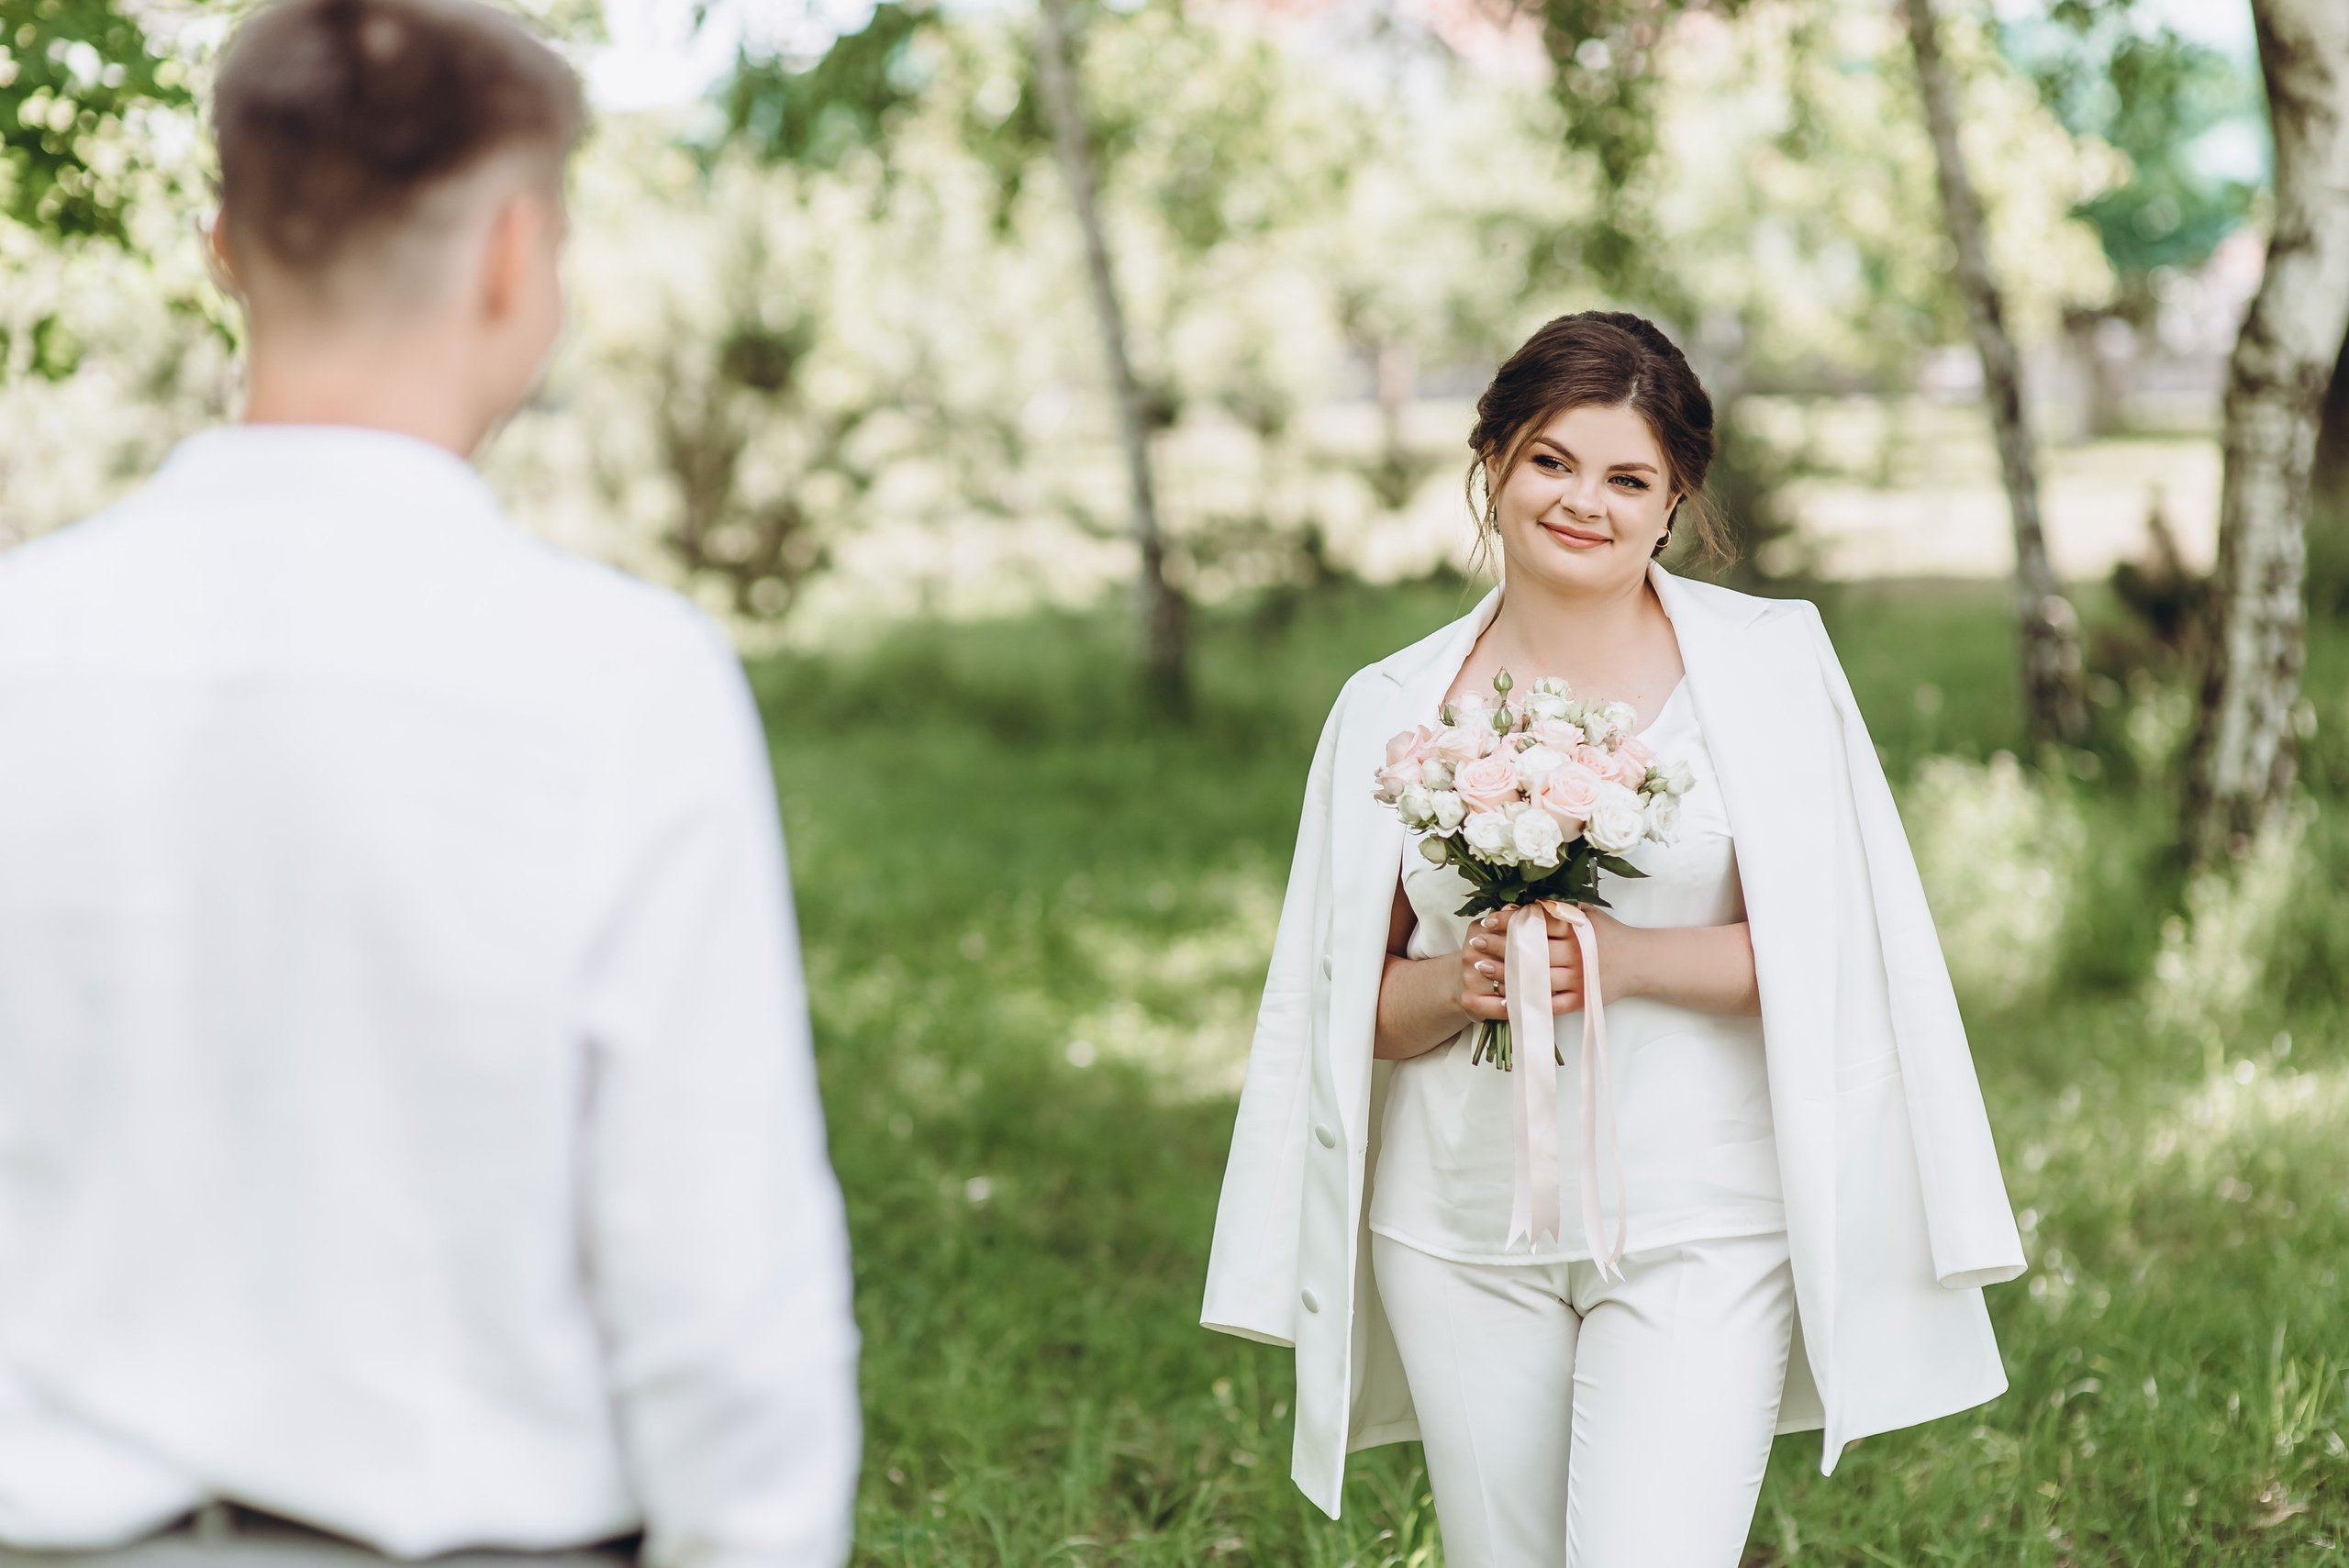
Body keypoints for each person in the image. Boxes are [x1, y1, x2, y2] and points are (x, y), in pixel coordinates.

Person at [0, 0, 859, 1562]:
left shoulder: (21, 647)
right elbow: (722, 1285)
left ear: (221, 247)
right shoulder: (623, 682)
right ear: (518, 260)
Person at [1201, 312, 2025, 1567]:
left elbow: (1838, 956)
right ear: (1493, 460)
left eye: (1627, 477)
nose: (1583, 501)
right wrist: (1463, 982)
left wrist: (1626, 961)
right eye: (1552, 460)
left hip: (1703, 1214)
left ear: (1675, 502)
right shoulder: (1389, 705)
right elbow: (1346, 1004)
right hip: (1460, 1227)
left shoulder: (1767, 666)